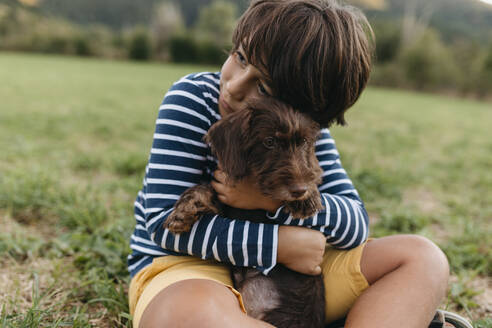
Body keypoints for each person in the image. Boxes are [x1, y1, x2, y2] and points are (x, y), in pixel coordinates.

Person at [127, 1, 455, 327]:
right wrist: (279, 246)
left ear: (304, 108)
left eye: (265, 86)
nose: (234, 85)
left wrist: (269, 203)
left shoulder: (307, 131)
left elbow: (356, 225)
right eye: (240, 57)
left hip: (295, 284)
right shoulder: (193, 101)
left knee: (423, 258)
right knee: (186, 314)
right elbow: (162, 225)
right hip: (191, 268)